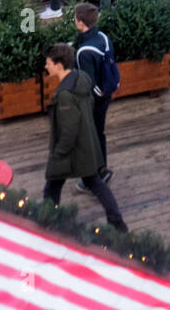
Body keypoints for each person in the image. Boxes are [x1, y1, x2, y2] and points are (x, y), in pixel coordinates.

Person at [42, 44, 127, 230]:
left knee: (52, 186)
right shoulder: (82, 78)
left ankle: (47, 222)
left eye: (48, 63)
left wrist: (58, 153)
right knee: (93, 181)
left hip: (72, 149)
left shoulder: (64, 95)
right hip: (88, 143)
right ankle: (117, 222)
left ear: (59, 65)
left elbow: (69, 129)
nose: (46, 67)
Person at [73, 3, 116, 187]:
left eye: (75, 18)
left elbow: (87, 83)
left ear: (81, 23)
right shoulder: (103, 38)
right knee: (99, 132)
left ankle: (95, 176)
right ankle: (101, 169)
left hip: (93, 100)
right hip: (106, 93)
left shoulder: (84, 53)